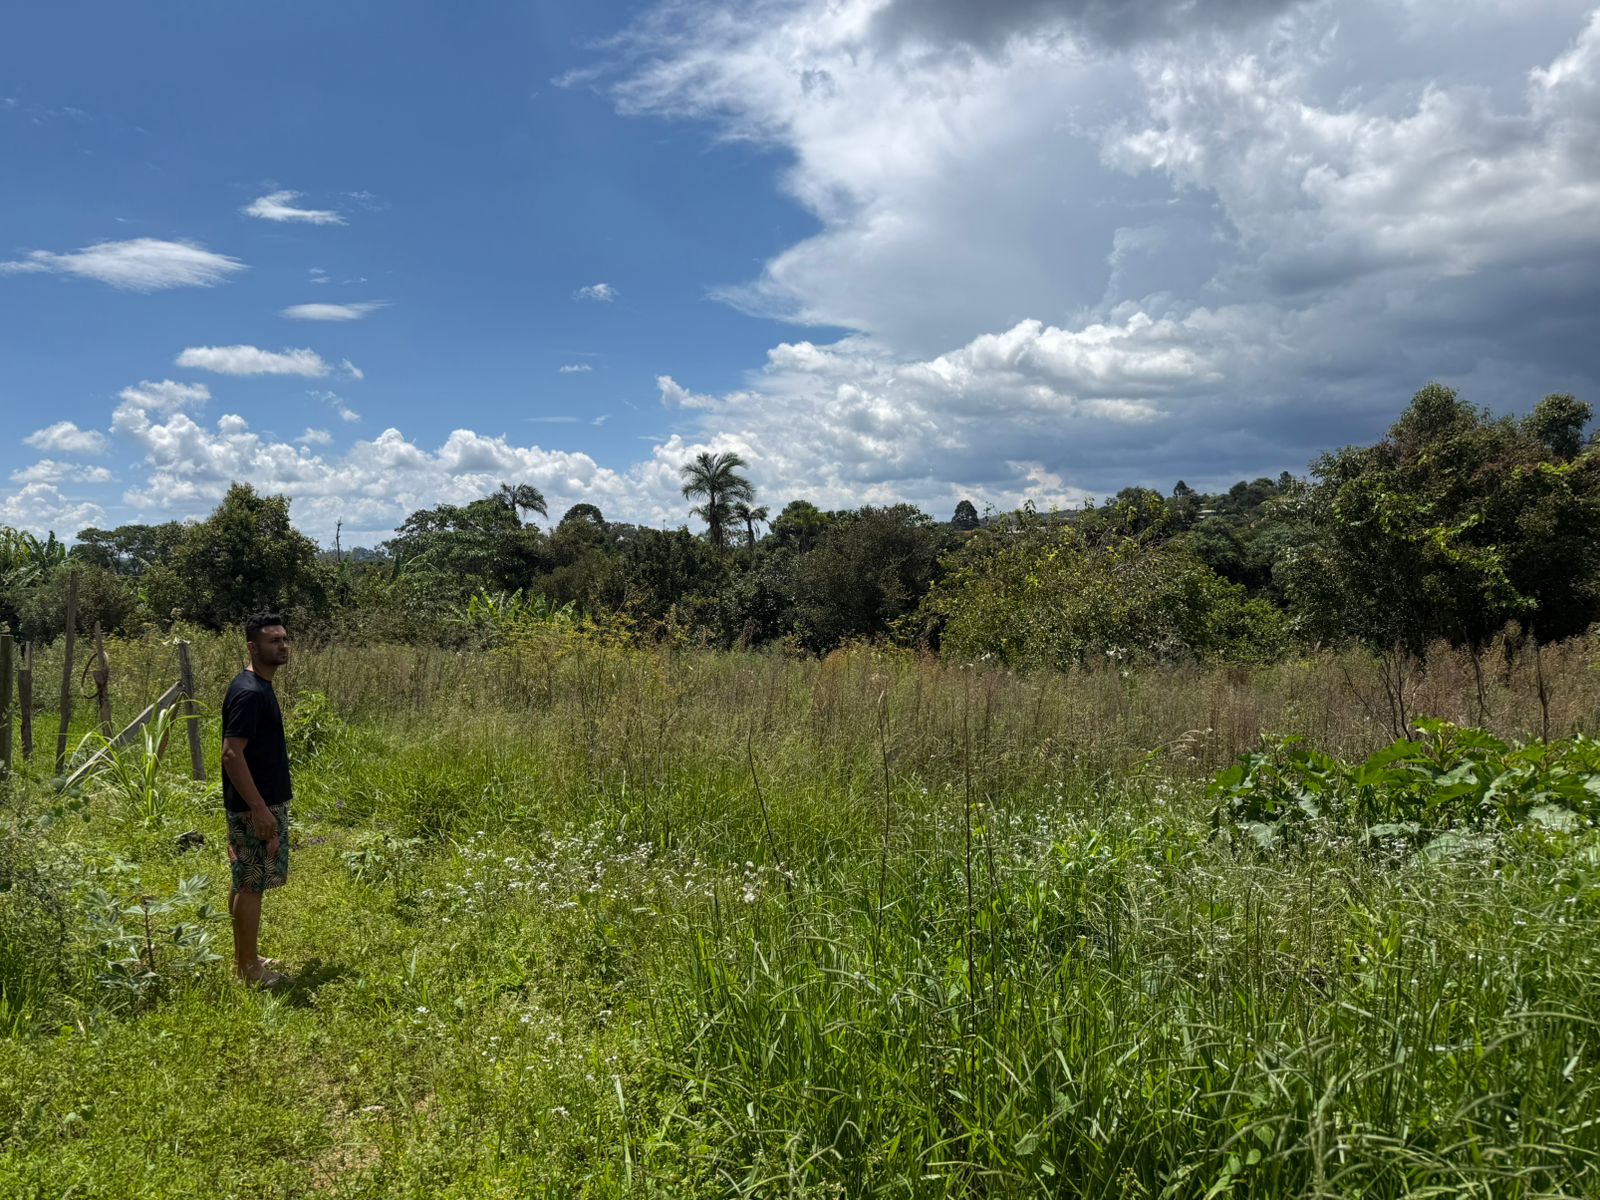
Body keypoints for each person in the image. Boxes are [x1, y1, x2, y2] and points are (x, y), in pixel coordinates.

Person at [221, 612, 294, 986]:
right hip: (255, 807)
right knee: (252, 885)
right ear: (253, 646)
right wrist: (260, 808)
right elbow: (231, 753)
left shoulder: (258, 686)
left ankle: (245, 957)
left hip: (258, 803)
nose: (282, 646)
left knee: (245, 880)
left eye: (284, 639)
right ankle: (249, 971)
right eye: (273, 640)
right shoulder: (249, 692)